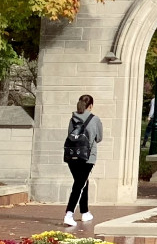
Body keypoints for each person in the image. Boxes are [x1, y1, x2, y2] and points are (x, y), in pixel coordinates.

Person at [63, 94, 102, 227]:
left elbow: (69, 135)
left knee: (82, 182)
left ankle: (85, 212)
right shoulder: (95, 119)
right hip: (87, 157)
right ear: (90, 106)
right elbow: (99, 138)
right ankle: (69, 213)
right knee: (79, 184)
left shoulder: (72, 118)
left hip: (72, 156)